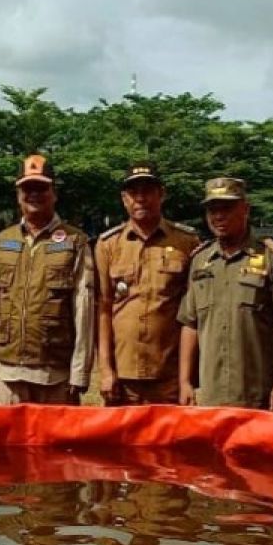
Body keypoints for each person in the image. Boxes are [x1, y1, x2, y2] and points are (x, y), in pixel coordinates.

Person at [178, 177, 273, 410]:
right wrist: (185, 381)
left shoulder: (271, 257)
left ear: (245, 209)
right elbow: (189, 323)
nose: (219, 216)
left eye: (227, 207)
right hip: (210, 394)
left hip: (258, 394)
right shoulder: (200, 261)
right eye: (212, 209)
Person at [0, 154, 95, 404]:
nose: (33, 194)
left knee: (55, 443)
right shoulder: (0, 242)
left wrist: (79, 372)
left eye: (41, 187)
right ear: (17, 194)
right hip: (8, 373)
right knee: (9, 443)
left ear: (54, 192)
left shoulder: (75, 241)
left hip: (55, 375)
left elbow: (83, 310)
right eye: (27, 188)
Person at [95, 161, 200, 405]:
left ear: (161, 194)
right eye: (133, 192)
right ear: (124, 199)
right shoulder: (108, 245)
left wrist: (188, 378)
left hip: (169, 374)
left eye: (148, 191)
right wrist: (106, 371)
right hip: (123, 375)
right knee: (122, 442)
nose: (140, 198)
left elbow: (193, 314)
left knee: (169, 442)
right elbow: (103, 310)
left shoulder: (187, 241)